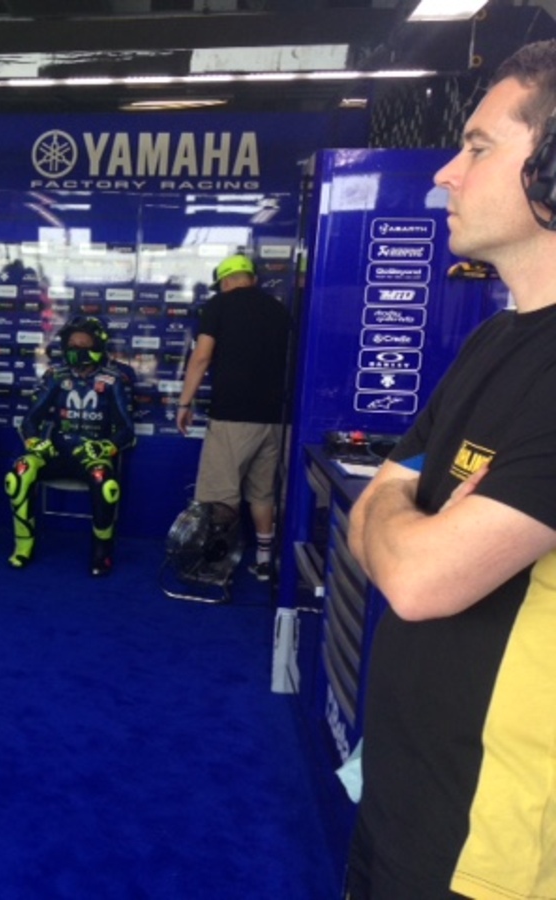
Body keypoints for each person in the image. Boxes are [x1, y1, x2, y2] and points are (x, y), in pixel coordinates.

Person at [345, 40, 556, 899]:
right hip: (403, 807)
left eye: (477, 146)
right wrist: (401, 507)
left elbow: (418, 579)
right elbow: (377, 502)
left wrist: (399, 510)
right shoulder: (494, 338)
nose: (444, 173)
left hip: (489, 858)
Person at [175, 254, 290, 582]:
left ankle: (215, 566)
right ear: (251, 278)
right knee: (263, 493)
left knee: (218, 497)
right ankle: (265, 561)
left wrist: (184, 403)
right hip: (278, 419)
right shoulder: (280, 310)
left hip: (233, 416)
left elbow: (201, 357)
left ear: (225, 282)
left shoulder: (219, 305)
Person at [5, 316, 134, 576]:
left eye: (84, 344)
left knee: (105, 483)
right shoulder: (56, 376)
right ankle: (23, 546)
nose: (78, 350)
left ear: (98, 345)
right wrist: (34, 442)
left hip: (91, 456)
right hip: (56, 453)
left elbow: (127, 430)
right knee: (19, 473)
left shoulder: (113, 379)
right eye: (72, 345)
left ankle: (102, 552)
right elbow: (30, 421)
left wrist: (106, 447)